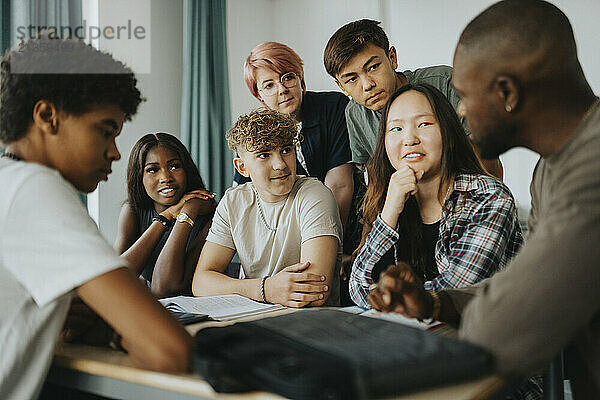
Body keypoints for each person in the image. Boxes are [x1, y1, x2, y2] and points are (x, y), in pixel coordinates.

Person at [367, 1, 599, 398]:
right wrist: (435, 303)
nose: (460, 109)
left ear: (507, 92)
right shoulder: (551, 170)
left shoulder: (591, 171)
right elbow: (522, 284)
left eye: (463, 95)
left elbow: (506, 328)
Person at [0, 35, 191, 399]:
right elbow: (169, 350)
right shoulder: (33, 189)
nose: (116, 153)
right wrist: (124, 329)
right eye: (105, 131)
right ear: (47, 117)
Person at [349, 83, 522, 309]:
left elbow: (459, 289)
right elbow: (358, 286)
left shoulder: (489, 198)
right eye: (396, 129)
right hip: (411, 335)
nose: (409, 139)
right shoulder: (392, 199)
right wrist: (389, 211)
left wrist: (389, 300)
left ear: (448, 132)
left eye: (424, 124)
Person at [192, 108, 342, 307]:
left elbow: (313, 294)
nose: (280, 164)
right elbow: (201, 283)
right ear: (242, 167)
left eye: (286, 150)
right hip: (253, 318)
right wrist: (265, 289)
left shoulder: (315, 194)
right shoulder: (232, 201)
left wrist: (250, 289)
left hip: (311, 323)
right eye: (264, 155)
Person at [323, 18, 503, 180]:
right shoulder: (355, 113)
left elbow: (485, 160)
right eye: (352, 79)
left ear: (392, 58)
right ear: (341, 86)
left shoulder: (445, 83)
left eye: (373, 67)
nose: (367, 85)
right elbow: (374, 176)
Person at [240, 42, 353, 232]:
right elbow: (248, 196)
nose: (282, 89)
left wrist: (330, 243)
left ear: (300, 80)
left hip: (341, 221)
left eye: (288, 77)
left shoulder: (333, 106)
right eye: (269, 85)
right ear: (259, 96)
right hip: (286, 229)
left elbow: (339, 185)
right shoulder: (254, 132)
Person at [114, 132, 216, 298]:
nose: (165, 177)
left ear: (187, 170)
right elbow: (116, 280)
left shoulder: (209, 214)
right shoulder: (132, 211)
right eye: (153, 170)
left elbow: (165, 288)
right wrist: (166, 217)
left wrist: (188, 211)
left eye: (174, 166)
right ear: (139, 176)